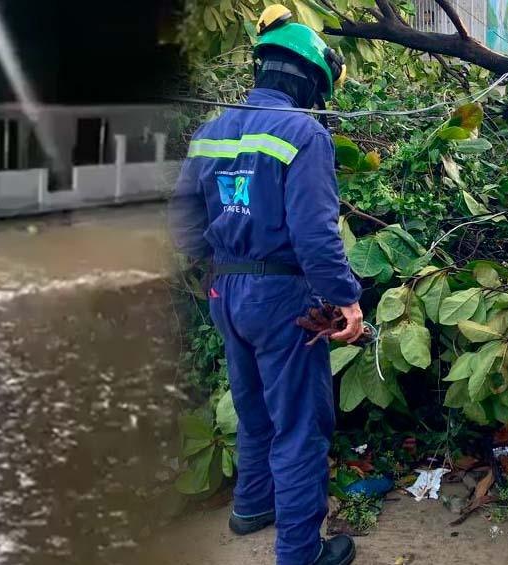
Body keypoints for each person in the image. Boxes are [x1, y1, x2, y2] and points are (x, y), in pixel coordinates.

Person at [169, 4, 362, 565]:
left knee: (252, 406)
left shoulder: (211, 131)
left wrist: (224, 262)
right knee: (300, 425)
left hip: (226, 294)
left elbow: (182, 223)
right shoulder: (304, 132)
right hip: (283, 299)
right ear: (311, 81)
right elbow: (315, 233)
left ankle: (252, 505)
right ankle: (301, 553)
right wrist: (346, 300)